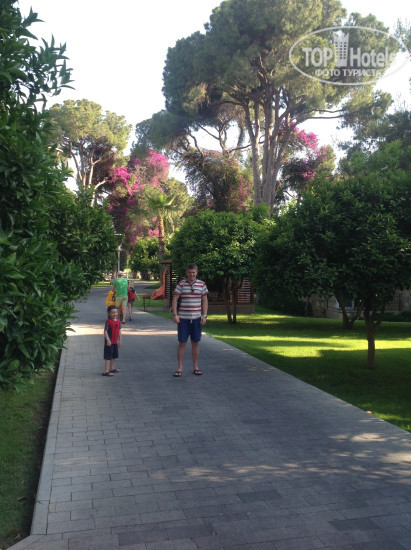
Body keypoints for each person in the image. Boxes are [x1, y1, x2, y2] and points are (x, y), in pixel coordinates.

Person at [171, 263, 208, 377]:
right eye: (189, 272)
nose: (191, 274)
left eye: (193, 272)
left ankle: (195, 367)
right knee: (182, 342)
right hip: (183, 319)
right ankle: (179, 368)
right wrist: (175, 314)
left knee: (195, 342)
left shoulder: (201, 284)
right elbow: (175, 299)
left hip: (196, 319)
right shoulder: (181, 284)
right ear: (186, 273)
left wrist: (204, 316)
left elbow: (205, 300)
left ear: (196, 272)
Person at [103, 305, 122, 376]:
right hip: (109, 342)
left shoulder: (118, 321)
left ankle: (111, 368)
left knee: (113, 355)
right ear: (108, 313)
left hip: (114, 342)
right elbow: (105, 331)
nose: (114, 314)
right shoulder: (108, 322)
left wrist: (120, 340)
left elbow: (119, 331)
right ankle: (106, 371)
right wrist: (108, 340)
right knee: (108, 356)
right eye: (112, 313)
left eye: (116, 312)